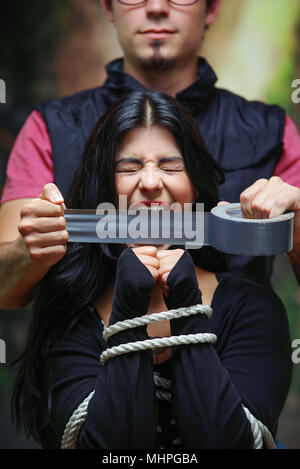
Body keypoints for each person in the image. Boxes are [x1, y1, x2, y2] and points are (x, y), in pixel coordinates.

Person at [12, 91, 292, 449]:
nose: (149, 182)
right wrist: (128, 306)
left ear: (195, 187)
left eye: (171, 166)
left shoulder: (253, 307)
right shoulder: (69, 307)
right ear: (104, 190)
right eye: (128, 167)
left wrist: (186, 307)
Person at [0, 0, 299, 310]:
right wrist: (26, 252)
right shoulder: (49, 127)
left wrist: (298, 228)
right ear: (107, 7)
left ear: (211, 9)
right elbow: (4, 291)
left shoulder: (272, 130)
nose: (156, 7)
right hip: (87, 354)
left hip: (238, 353)